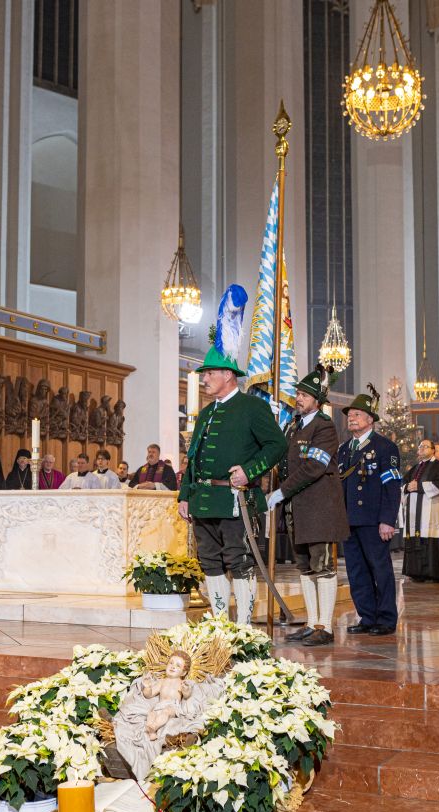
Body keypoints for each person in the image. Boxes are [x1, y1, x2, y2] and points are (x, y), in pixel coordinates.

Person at [178, 284, 287, 624]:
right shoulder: (207, 413)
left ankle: (242, 626)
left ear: (228, 375)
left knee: (239, 560)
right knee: (209, 561)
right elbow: (193, 456)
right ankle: (221, 621)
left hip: (236, 499)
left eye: (209, 373)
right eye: (204, 374)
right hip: (204, 498)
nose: (204, 378)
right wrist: (184, 495)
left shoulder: (251, 407)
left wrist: (250, 471)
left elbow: (278, 445)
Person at [267, 366, 349, 646]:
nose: (298, 399)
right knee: (305, 567)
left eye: (303, 395)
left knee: (323, 566)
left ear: (317, 400)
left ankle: (325, 627)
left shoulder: (324, 426)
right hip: (298, 509)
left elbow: (315, 467)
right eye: (298, 394)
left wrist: (282, 491)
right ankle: (312, 622)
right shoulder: (294, 426)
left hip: (319, 508)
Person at [338, 387, 402, 636]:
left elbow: (392, 486)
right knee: (356, 571)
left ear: (370, 419)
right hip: (349, 519)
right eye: (349, 415)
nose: (351, 418)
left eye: (356, 414)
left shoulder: (385, 447)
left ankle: (386, 618)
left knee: (380, 568)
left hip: (374, 520)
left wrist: (387, 520)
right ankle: (367, 616)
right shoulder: (344, 449)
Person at [113, 651, 224, 780]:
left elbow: (187, 697)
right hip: (159, 705)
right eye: (171, 663)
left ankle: (154, 728)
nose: (172, 666)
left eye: (178, 666)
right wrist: (147, 687)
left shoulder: (181, 683)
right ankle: (151, 730)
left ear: (183, 672)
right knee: (150, 714)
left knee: (165, 714)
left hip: (172, 707)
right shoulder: (162, 682)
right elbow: (149, 694)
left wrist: (186, 691)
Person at [402, 438, 439, 582]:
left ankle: (432, 573)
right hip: (414, 512)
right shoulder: (415, 468)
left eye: (425, 446)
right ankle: (415, 572)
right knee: (415, 538)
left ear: (433, 450)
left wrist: (420, 487)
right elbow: (404, 483)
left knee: (430, 539)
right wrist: (407, 487)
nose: (421, 449)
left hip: (431, 510)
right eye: (420, 447)